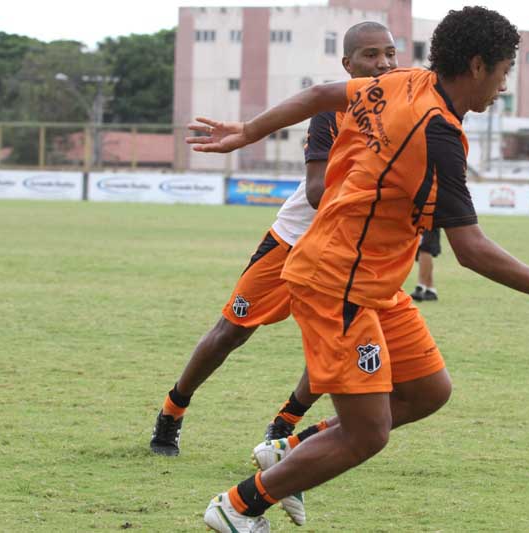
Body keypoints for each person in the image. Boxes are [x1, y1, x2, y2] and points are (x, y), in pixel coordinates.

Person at [187, 7, 529, 532]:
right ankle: (237, 507)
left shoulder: (404, 82)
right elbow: (471, 249)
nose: (503, 86)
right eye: (504, 72)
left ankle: (288, 452)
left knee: (427, 391)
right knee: (367, 434)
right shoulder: (437, 135)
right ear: (478, 66)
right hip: (335, 282)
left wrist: (249, 130)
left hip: (373, 283)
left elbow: (323, 93)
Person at [150, 20, 412, 526]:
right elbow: (317, 191)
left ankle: (282, 430)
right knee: (231, 331)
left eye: (390, 54)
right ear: (348, 66)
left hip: (350, 256)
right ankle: (172, 412)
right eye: (371, 56)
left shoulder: (405, 108)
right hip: (293, 242)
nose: (382, 64)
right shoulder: (335, 111)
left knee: (336, 344)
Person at [410, 227, 441, 301]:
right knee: (423, 249)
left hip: (429, 219)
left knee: (425, 249)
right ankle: (430, 290)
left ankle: (421, 287)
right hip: (423, 219)